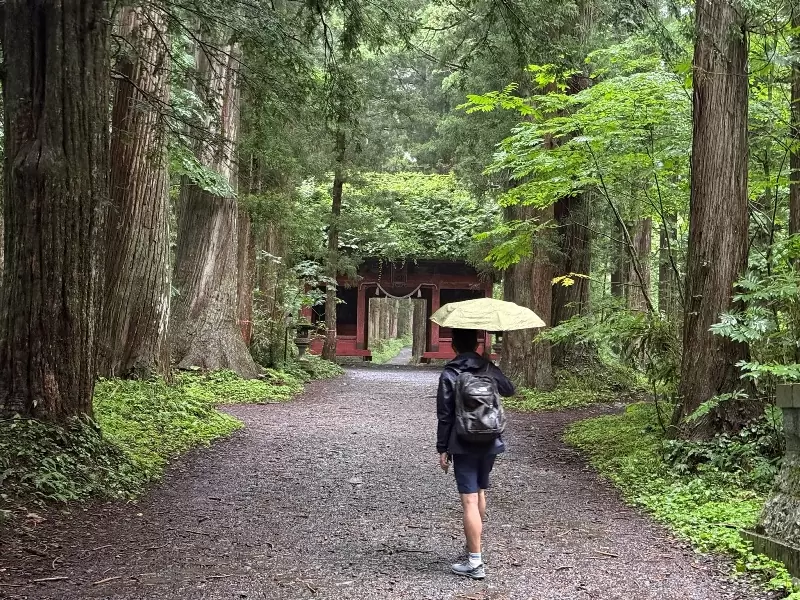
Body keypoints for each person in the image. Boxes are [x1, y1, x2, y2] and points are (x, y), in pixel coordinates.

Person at [436, 328, 515, 580]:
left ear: (454, 346)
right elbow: (509, 389)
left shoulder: (451, 372)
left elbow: (445, 414)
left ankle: (475, 562)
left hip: (463, 440)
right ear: (476, 343)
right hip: (490, 439)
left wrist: (442, 448)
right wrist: (491, 366)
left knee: (468, 500)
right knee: (480, 491)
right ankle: (474, 545)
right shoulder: (487, 367)